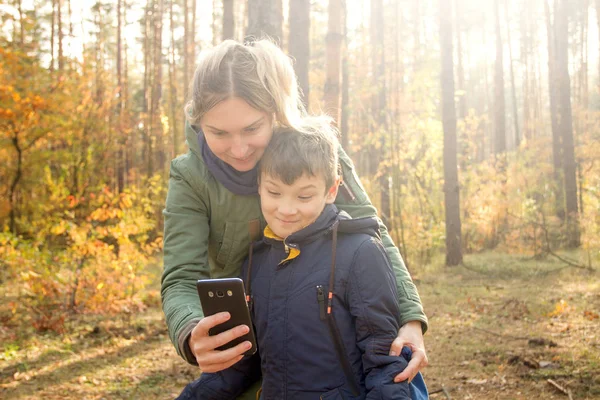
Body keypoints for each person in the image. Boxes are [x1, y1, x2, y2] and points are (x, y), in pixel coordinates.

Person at [161, 38, 428, 399]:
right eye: (219, 133)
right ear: (199, 122)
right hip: (255, 350)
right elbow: (181, 276)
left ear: (274, 111)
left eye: (252, 129)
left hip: (338, 347)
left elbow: (370, 231)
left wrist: (410, 320)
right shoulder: (190, 176)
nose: (238, 149)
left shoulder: (313, 151)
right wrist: (191, 331)